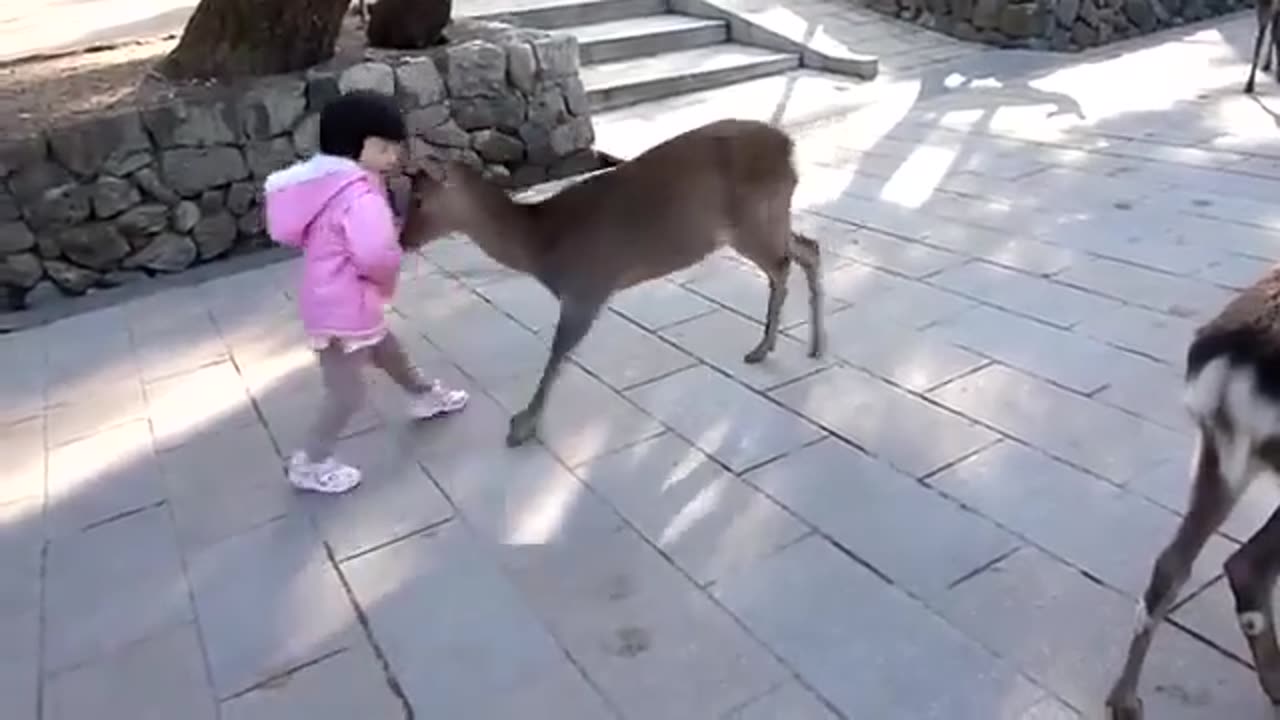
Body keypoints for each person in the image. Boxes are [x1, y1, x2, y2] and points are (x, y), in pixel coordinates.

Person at [263, 90, 468, 494]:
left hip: (336, 301)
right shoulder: (358, 196)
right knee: (347, 392)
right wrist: (388, 262)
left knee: (387, 350)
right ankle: (312, 461)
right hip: (343, 308)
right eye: (383, 147)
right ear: (353, 148)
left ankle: (424, 394)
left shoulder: (328, 187)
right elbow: (375, 253)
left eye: (396, 147)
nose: (394, 156)